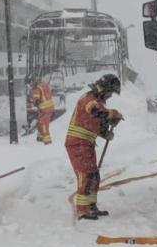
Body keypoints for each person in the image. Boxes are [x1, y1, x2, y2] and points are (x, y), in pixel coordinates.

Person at [65, 74, 123, 220]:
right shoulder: (89, 99)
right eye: (110, 92)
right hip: (77, 144)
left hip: (86, 144)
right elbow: (96, 112)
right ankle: (83, 210)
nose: (110, 96)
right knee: (86, 175)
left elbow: (96, 122)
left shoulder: (97, 102)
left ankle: (91, 206)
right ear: (104, 89)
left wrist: (105, 133)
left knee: (94, 175)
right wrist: (112, 114)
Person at [29, 75, 56, 145]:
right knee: (40, 123)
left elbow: (36, 100)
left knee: (43, 125)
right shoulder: (44, 84)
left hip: (44, 109)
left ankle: (47, 142)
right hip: (49, 108)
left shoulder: (36, 87)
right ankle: (40, 137)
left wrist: (32, 103)